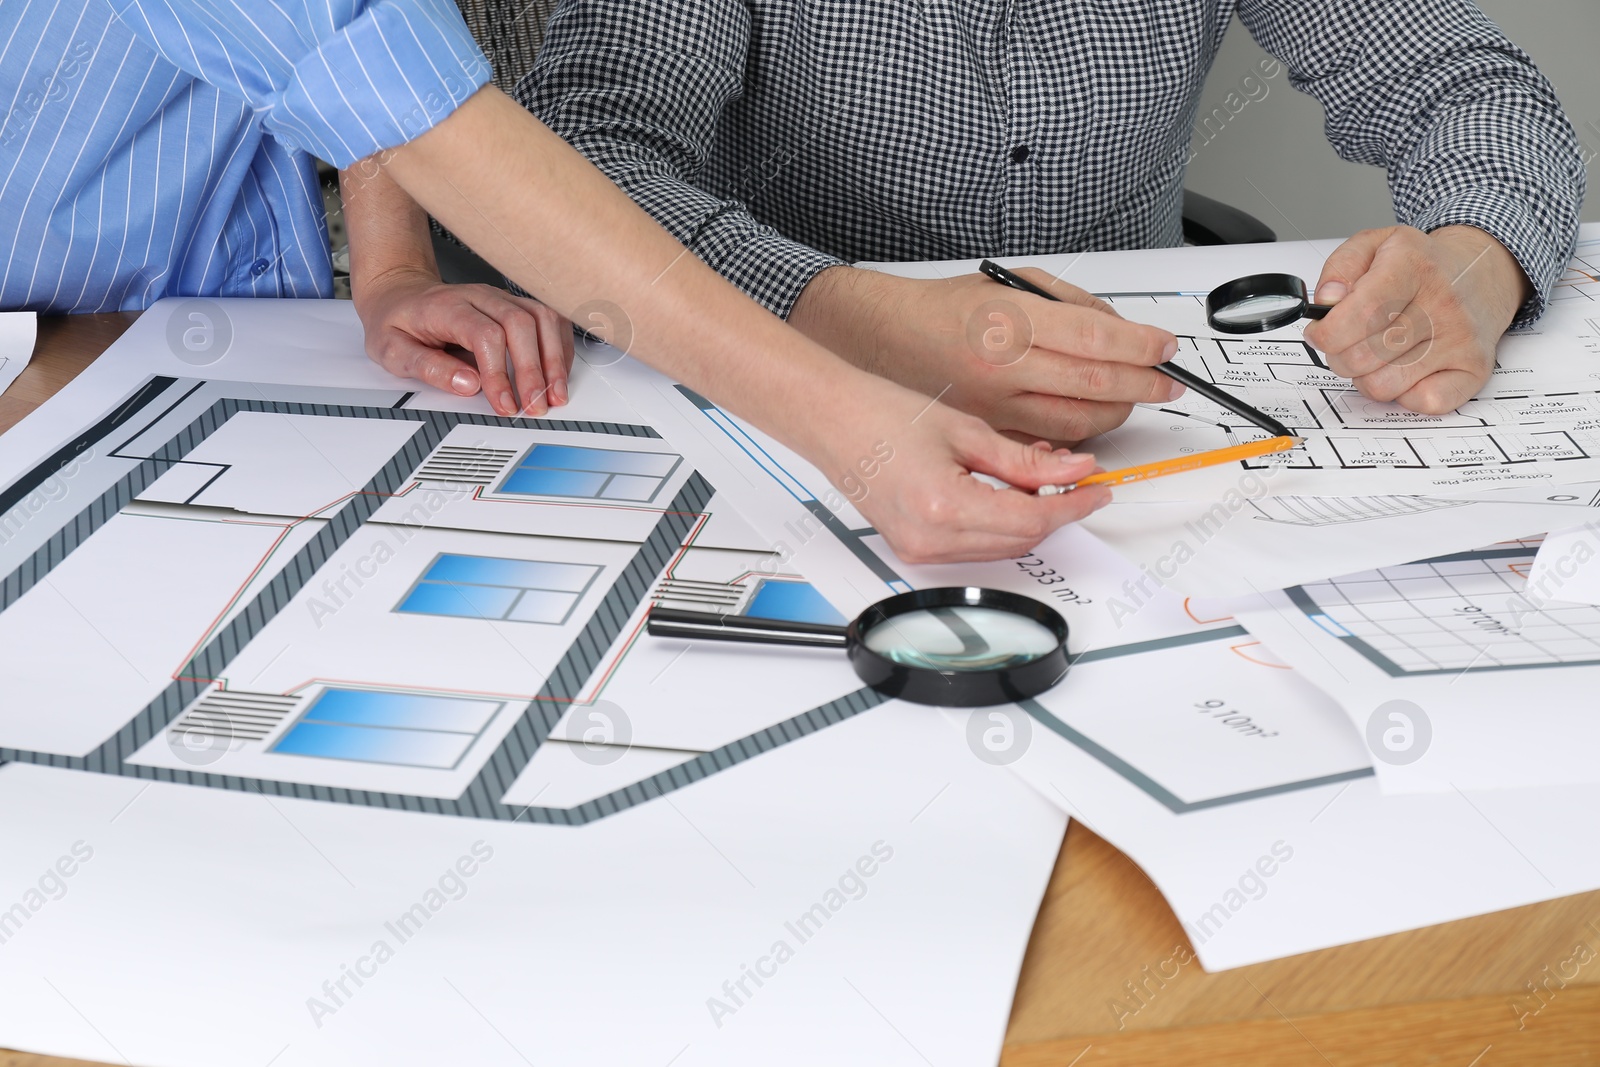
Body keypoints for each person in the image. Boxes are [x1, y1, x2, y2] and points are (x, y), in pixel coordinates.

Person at [0, 0, 1114, 563]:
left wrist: (392, 270)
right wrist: (850, 420)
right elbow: (421, 108)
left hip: (203, 301)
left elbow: (356, 38)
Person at [519, 0, 1587, 427]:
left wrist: (1475, 262)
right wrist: (850, 314)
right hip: (771, 401)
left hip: (1143, 432)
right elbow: (577, 158)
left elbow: (1466, 87)